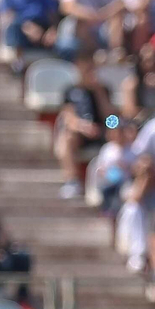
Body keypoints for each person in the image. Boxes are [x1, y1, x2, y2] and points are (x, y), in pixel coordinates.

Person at [53, 55, 109, 200]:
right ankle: (72, 181)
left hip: (102, 132)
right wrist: (83, 127)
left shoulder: (103, 90)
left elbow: (111, 119)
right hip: (80, 133)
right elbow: (67, 117)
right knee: (67, 138)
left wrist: (99, 93)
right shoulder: (70, 91)